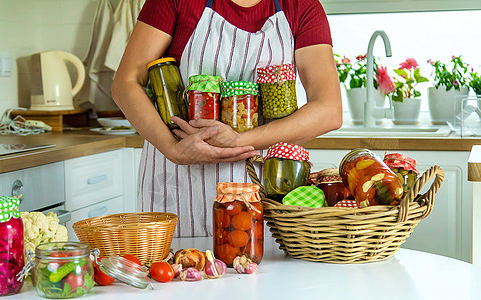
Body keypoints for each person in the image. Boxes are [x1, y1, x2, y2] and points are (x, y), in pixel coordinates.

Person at [111, 0, 342, 237]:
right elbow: (125, 83)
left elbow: (329, 111)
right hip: (178, 180)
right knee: (175, 266)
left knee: (259, 265)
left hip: (262, 187)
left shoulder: (301, 7)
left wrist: (238, 140)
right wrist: (174, 150)